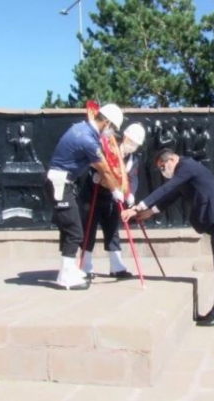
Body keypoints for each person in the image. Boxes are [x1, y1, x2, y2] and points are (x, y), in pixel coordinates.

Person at [121, 149, 214, 327]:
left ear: (170, 160)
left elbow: (166, 188)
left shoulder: (186, 166)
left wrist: (137, 208)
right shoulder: (183, 173)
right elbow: (171, 195)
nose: (163, 172)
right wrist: (149, 213)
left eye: (162, 167)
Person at [46, 103, 125, 290]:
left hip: (62, 182)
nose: (111, 133)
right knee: (75, 231)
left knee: (71, 230)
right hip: (59, 184)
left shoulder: (80, 128)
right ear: (106, 122)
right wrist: (116, 191)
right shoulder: (89, 140)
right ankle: (65, 277)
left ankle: (69, 268)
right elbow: (105, 168)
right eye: (112, 127)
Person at [81, 123, 146, 279]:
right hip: (93, 194)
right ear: (125, 136)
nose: (132, 146)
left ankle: (116, 266)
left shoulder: (133, 160)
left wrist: (131, 194)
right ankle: (86, 266)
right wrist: (93, 176)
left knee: (112, 230)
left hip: (113, 199)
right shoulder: (109, 148)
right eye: (130, 141)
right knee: (89, 231)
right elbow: (93, 163)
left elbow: (133, 178)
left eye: (135, 144)